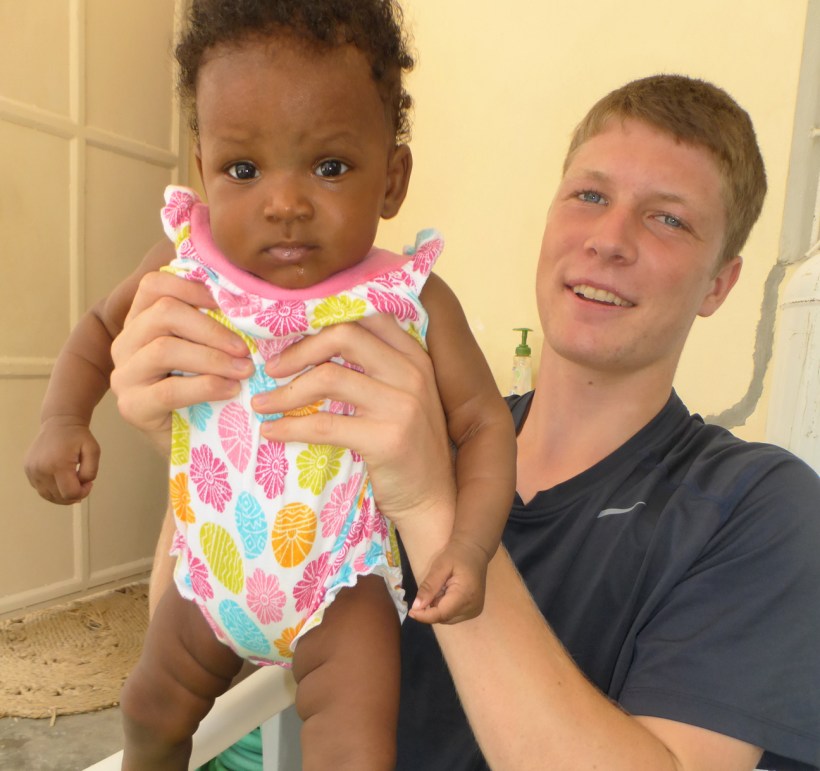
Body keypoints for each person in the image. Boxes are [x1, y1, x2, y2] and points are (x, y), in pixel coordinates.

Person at [110, 71, 820, 770]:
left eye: (667, 217)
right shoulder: (390, 419)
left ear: (718, 285)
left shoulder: (759, 506)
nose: (609, 238)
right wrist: (195, 438)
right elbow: (227, 649)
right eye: (589, 195)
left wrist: (427, 505)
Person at [24, 1, 517, 769]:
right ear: (202, 168)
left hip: (339, 592)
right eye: (244, 169)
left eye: (329, 166)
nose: (284, 203)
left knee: (352, 750)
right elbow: (98, 327)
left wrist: (471, 542)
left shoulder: (409, 296)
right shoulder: (189, 259)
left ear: (393, 177)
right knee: (147, 713)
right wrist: (62, 418)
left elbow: (486, 422)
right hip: (206, 580)